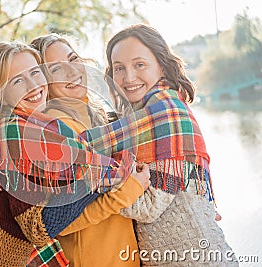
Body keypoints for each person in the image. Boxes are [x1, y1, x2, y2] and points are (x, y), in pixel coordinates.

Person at [0, 41, 148, 267]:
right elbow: (39, 226)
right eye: (18, 80)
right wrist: (119, 179)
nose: (33, 85)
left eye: (35, 73)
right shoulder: (16, 136)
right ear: (1, 93)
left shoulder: (38, 129)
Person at [81, 24, 238, 266]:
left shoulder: (166, 114)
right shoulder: (134, 119)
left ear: (161, 66)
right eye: (119, 68)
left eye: (139, 65)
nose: (128, 77)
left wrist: (90, 177)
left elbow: (149, 208)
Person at [28, 33, 150, 267]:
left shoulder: (98, 118)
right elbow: (60, 221)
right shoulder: (56, 130)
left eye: (73, 59)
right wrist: (128, 190)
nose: (71, 72)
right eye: (56, 69)